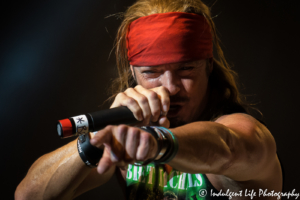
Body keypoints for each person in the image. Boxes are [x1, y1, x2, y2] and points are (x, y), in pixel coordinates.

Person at [15, 0, 283, 199]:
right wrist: (95, 139)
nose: (170, 88)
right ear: (133, 73)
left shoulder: (243, 131)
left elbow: (228, 148)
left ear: (208, 65)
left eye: (186, 69)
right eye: (152, 73)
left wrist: (156, 143)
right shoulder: (123, 136)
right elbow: (28, 196)